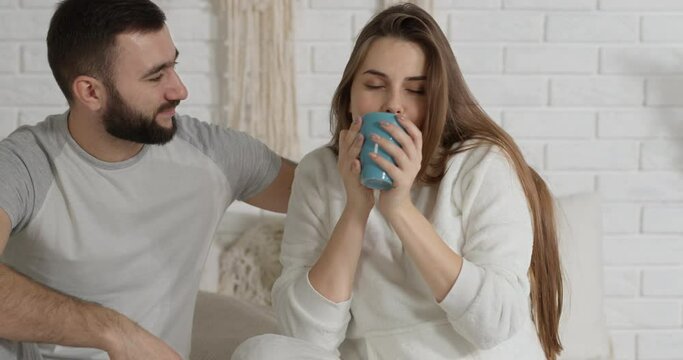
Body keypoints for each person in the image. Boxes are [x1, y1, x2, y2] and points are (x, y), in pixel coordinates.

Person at [233, 3, 563, 360]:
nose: (393, 105)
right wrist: (356, 210)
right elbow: (306, 336)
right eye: (375, 85)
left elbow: (493, 326)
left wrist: (400, 209)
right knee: (262, 352)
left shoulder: (482, 165)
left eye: (416, 90)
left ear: (439, 100)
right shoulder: (319, 174)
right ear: (349, 100)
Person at [0, 0, 296, 359]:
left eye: (173, 66)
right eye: (156, 77)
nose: (179, 89)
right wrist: (113, 331)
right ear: (90, 92)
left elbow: (323, 190)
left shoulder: (212, 155)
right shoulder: (25, 163)